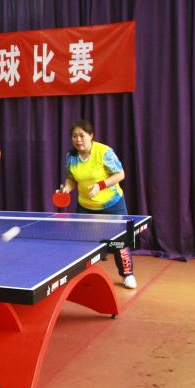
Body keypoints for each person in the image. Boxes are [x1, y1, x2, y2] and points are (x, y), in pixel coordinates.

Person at [59, 120, 137, 289]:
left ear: (91, 135)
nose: (78, 140)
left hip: (112, 204)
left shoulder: (104, 152)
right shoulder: (71, 157)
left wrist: (100, 185)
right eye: (74, 136)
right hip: (85, 206)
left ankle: (127, 274)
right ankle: (82, 277)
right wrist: (67, 188)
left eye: (82, 135)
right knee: (82, 244)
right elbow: (72, 179)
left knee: (120, 243)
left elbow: (120, 174)